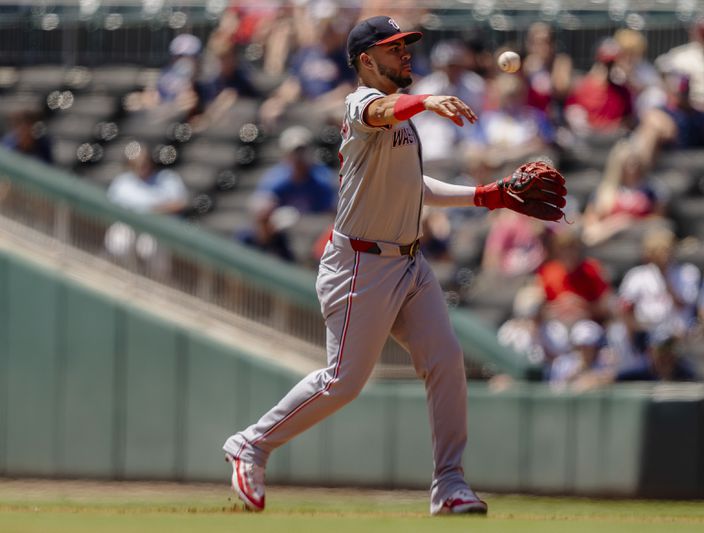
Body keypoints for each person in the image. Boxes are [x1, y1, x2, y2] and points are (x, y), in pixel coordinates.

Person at [221, 16, 566, 516]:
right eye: (392, 47)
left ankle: (450, 483)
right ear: (366, 60)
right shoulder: (361, 102)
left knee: (445, 361)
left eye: (406, 44)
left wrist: (488, 196)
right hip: (359, 264)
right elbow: (381, 108)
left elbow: (415, 187)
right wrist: (424, 101)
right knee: (343, 381)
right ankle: (251, 444)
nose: (405, 53)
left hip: (406, 262)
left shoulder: (401, 117)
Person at [248, 125, 337, 216]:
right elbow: (260, 209)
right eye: (294, 151)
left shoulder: (324, 177)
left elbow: (334, 211)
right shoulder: (274, 178)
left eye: (302, 151)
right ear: (285, 154)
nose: (298, 156)